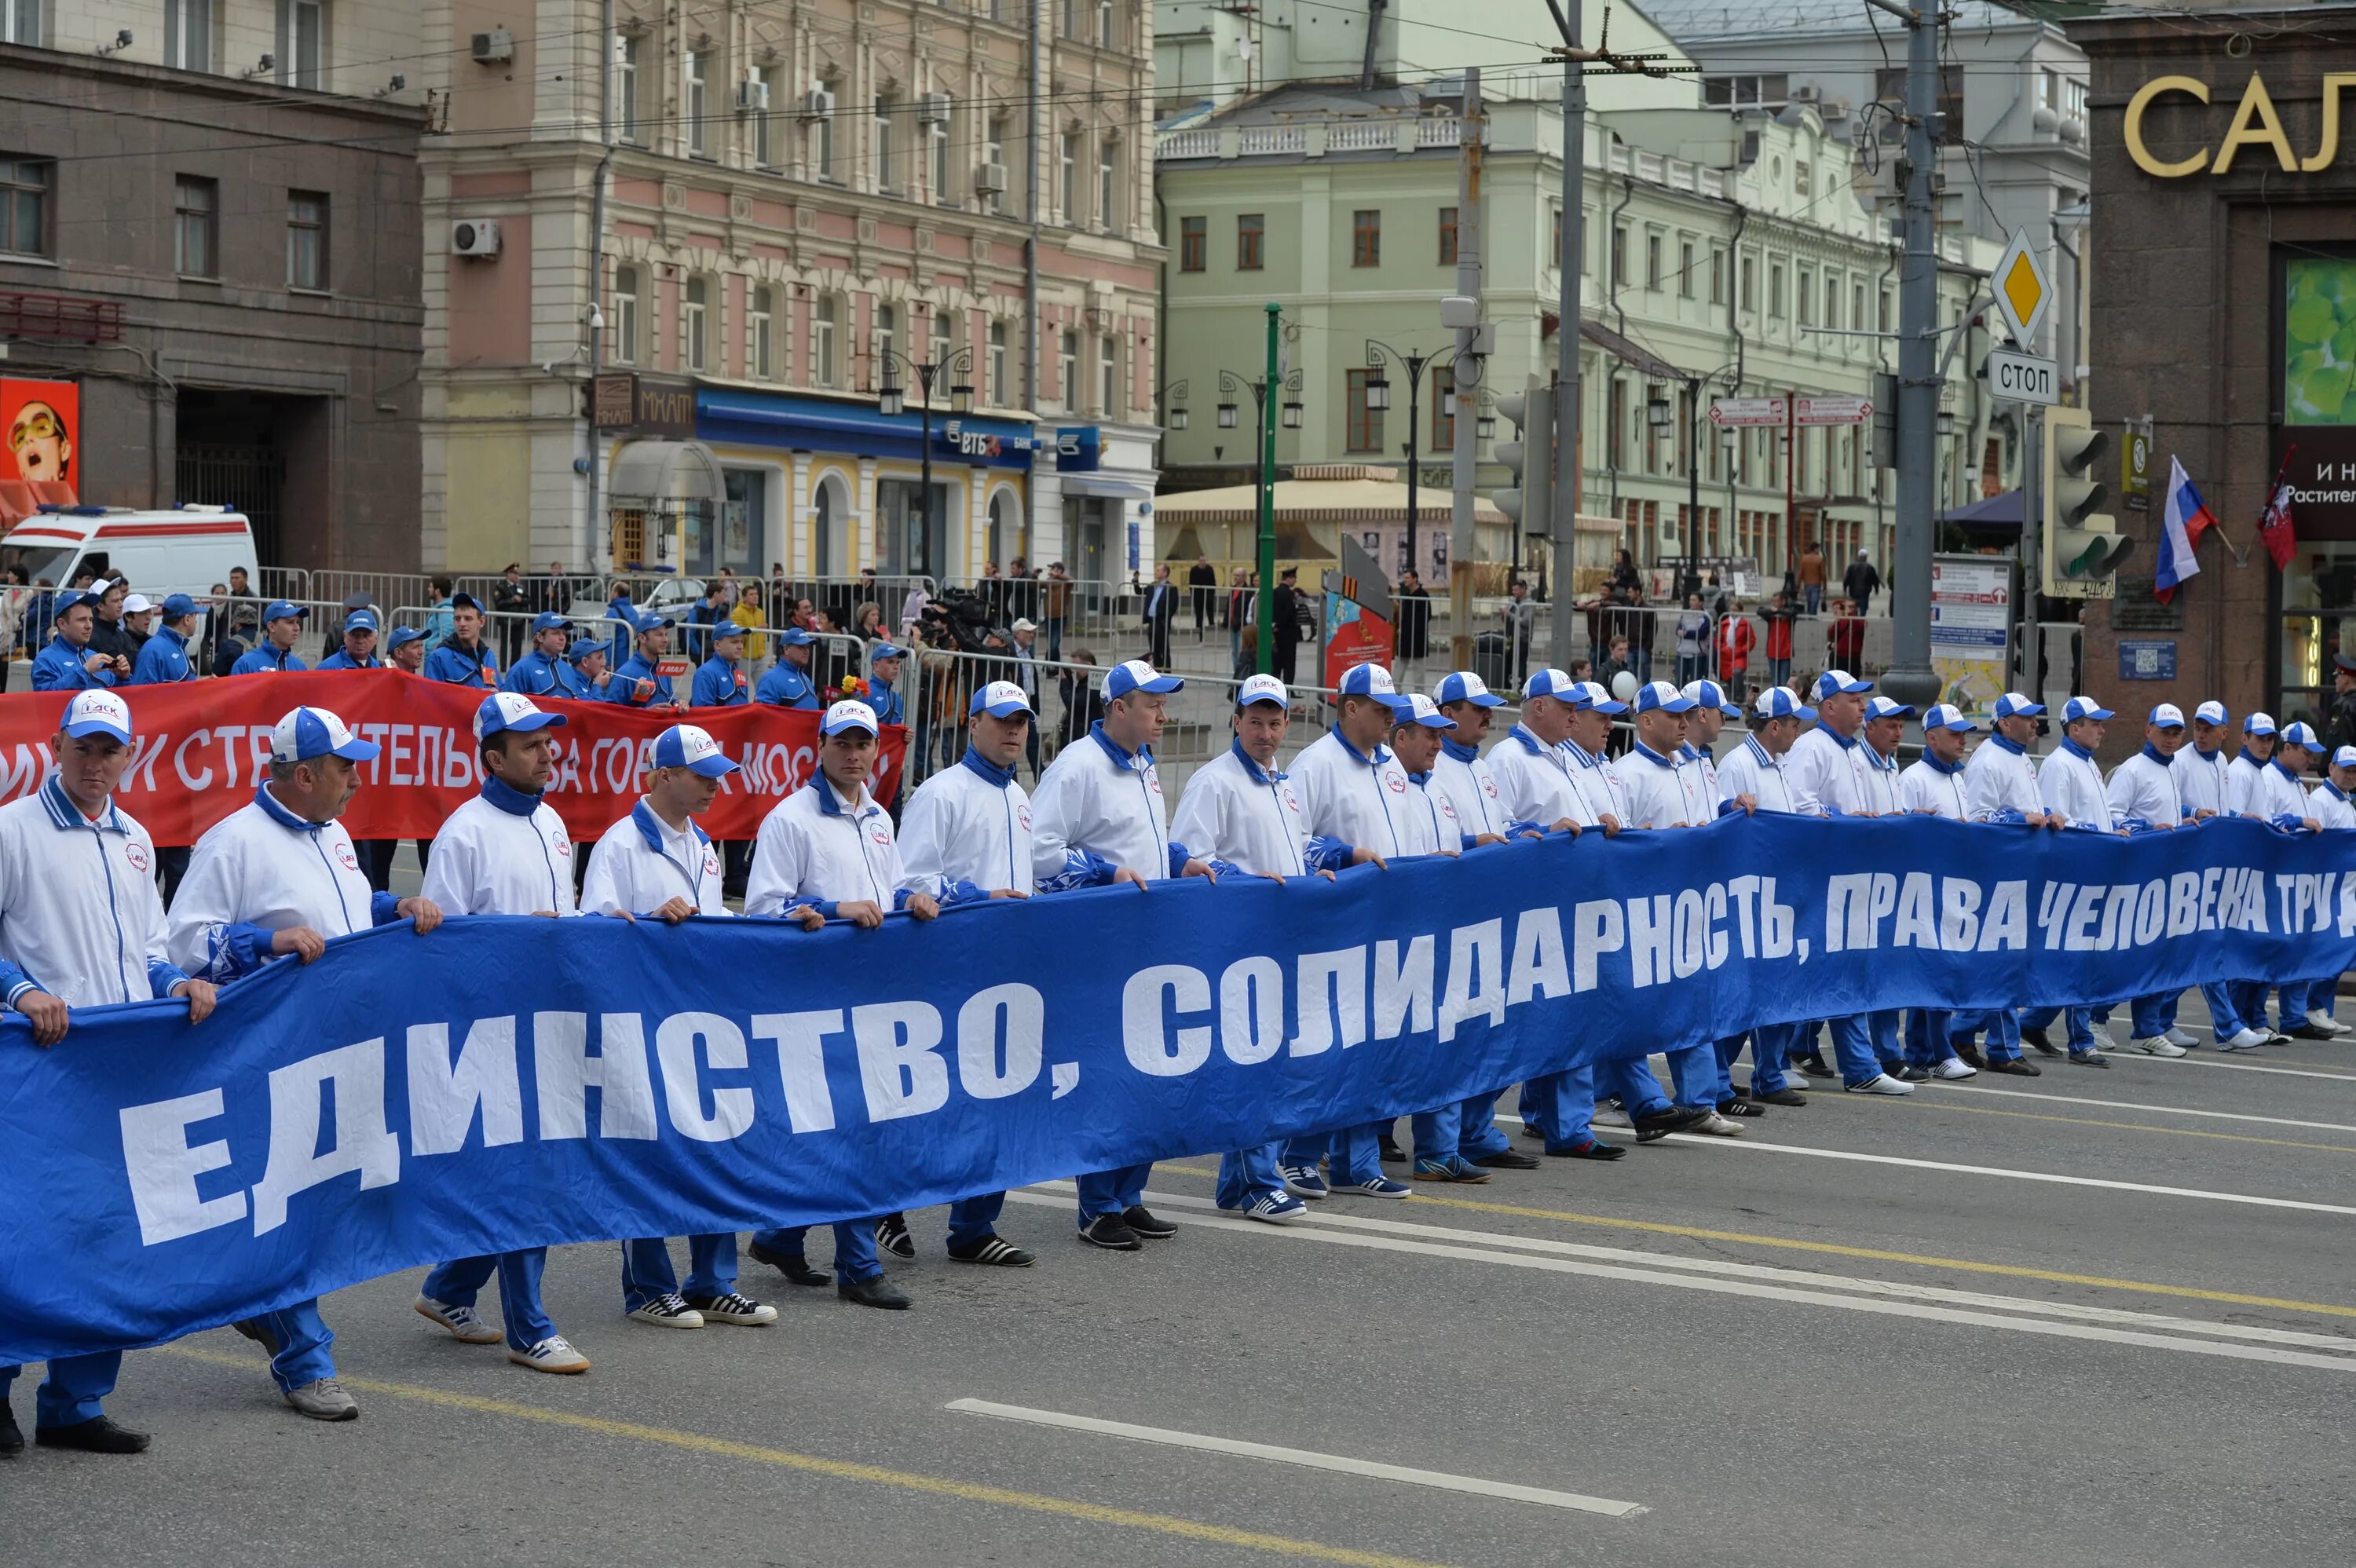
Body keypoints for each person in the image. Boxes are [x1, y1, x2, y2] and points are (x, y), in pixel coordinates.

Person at [164, 704, 442, 1420]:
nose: (356, 777)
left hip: (337, 1042)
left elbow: (339, 906)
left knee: (312, 1201)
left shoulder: (334, 830)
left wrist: (392, 904)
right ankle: (305, 1358)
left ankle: (250, 1294)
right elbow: (184, 943)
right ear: (307, 773)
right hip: (271, 1052)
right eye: (347, 766)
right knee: (285, 1198)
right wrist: (267, 942)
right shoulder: (235, 840)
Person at [0, 691, 219, 1456]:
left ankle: (75, 1403)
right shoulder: (12, 829)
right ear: (56, 745)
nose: (97, 764)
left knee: (108, 1234)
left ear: (131, 754)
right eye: (84, 748)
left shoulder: (134, 835)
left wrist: (175, 984)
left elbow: (149, 950)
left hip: (121, 1071)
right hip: (41, 1064)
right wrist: (20, 990)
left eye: (110, 750)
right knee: (25, 1230)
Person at [741, 699, 964, 1308]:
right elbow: (762, 909)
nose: (854, 753)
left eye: (863, 742)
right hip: (815, 996)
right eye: (843, 742)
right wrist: (834, 908)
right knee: (859, 1132)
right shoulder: (790, 819)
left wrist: (909, 900)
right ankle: (859, 1267)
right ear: (820, 744)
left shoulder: (878, 816)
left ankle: (781, 1235)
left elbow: (883, 890)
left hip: (871, 991)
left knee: (855, 1128)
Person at [415, 693, 596, 1372]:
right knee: (530, 1177)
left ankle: (450, 1286)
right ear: (493, 757)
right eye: (529, 744)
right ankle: (531, 1327)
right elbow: (447, 948)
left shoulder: (552, 821)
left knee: (523, 1172)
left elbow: (566, 921)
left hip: (549, 1024)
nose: (547, 751)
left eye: (547, 740)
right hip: (491, 1035)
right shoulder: (463, 832)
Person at [578, 724, 780, 1332]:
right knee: (651, 1151)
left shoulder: (702, 843)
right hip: (641, 1020)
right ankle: (647, 1287)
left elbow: (715, 924)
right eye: (702, 775)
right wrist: (644, 917)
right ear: (664, 775)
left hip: (699, 1019)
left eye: (718, 774)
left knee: (716, 1140)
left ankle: (713, 1280)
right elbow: (592, 927)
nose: (715, 786)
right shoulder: (619, 844)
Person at [1030, 660, 1220, 1247]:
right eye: (1151, 704)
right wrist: (1105, 872)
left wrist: (1178, 856)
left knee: (1153, 1068)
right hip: (1103, 944)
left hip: (1149, 939)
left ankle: (1129, 1192)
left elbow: (1142, 839)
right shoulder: (1078, 766)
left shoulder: (1142, 762)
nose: (1164, 714)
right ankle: (1096, 1205)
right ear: (1117, 708)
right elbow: (1040, 851)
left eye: (1164, 703)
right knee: (1112, 1072)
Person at [1170, 672, 1369, 1222]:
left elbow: (1298, 849)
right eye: (1254, 720)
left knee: (1270, 1061)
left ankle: (1239, 1180)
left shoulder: (1283, 783)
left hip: (1282, 941)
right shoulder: (1214, 781)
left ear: (1286, 725)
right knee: (1252, 1061)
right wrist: (1255, 881)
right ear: (1236, 721)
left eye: (1274, 721)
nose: (1264, 731)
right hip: (1238, 943)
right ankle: (1258, 1180)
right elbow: (1192, 858)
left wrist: (1324, 866)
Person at [893, 681, 1050, 1264]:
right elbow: (908, 883)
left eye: (1022, 722)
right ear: (973, 723)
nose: (1014, 731)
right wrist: (980, 896)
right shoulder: (941, 793)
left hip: (1006, 971)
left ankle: (975, 1226)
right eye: (1002, 720)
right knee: (934, 1100)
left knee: (1001, 1094)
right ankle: (888, 1202)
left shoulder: (1020, 797)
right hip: (947, 971)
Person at [1271, 663, 1426, 1200]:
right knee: (1325, 1044)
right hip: (1335, 928)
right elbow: (1296, 843)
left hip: (1387, 926)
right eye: (1379, 708)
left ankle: (1357, 1160)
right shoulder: (1315, 764)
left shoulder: (1392, 768)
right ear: (1350, 707)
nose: (1388, 718)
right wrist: (1344, 854)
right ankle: (1297, 1154)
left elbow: (1403, 838)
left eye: (1391, 709)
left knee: (1374, 1044)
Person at [1426, 671, 1547, 1170]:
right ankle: (1415, 1136)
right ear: (1449, 714)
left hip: (1491, 915)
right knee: (1447, 1031)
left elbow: (1499, 824)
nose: (1488, 716)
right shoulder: (1434, 770)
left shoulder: (1480, 768)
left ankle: (1474, 1129)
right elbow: (1443, 839)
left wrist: (1532, 831)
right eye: (1478, 709)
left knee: (1493, 1026)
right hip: (1454, 917)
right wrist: (1480, 844)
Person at [1612, 681, 1747, 1133]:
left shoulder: (1694, 766)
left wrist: (1730, 810)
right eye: (1674, 715)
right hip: (1645, 909)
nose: (1684, 722)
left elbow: (1708, 821)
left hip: (1691, 906)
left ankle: (1699, 1101)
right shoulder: (1627, 773)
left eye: (1687, 714)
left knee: (1694, 1001)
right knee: (1636, 1008)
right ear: (1645, 720)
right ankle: (1603, 1097)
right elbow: (1620, 842)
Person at [1781, 669, 1916, 1095]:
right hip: (1818, 880)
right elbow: (1798, 810)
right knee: (1804, 973)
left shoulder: (1848, 752)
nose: (1862, 705)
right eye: (1853, 698)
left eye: (1862, 699)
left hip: (1845, 881)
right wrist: (1848, 821)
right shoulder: (1812, 748)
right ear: (1828, 707)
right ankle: (1768, 1063)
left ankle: (1858, 1066)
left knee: (1845, 972)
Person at [2024, 696, 2131, 1068]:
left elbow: (2086, 818)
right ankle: (2081, 1041)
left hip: (2094, 872)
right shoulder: (2059, 765)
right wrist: (2099, 836)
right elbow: (2059, 823)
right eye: (2095, 723)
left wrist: (2111, 832)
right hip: (2075, 877)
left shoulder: (2087, 763)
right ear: (2074, 728)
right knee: (2080, 960)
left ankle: (2033, 1022)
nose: (2102, 729)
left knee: (2082, 959)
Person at [2174, 700, 2270, 1051]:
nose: (2201, 733)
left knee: (2188, 949)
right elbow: (2169, 805)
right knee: (2204, 945)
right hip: (2184, 867)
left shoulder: (2223, 763)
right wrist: (2193, 811)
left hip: (2212, 868)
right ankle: (2228, 1027)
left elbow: (2225, 809)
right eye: (2198, 726)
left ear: (2224, 733)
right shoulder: (2181, 761)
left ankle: (2157, 1022)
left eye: (2209, 728)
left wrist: (2240, 818)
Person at [2109, 703, 2196, 1058]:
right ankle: (2102, 1019)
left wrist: (2190, 815)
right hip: (2138, 876)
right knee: (2132, 954)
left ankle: (2150, 1026)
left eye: (2176, 733)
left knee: (2160, 953)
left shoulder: (2171, 769)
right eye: (2164, 732)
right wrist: (2148, 830)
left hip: (2165, 875)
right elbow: (2112, 817)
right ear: (2148, 731)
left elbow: (2166, 811)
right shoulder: (2132, 770)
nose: (2171, 739)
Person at [32, 590, 125, 691]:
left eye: (91, 620)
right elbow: (44, 697)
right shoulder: (46, 659)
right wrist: (84, 671)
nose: (89, 626)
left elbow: (119, 699)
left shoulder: (93, 656)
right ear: (62, 624)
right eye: (81, 620)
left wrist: (123, 677)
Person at [606, 610, 685, 709]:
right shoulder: (624, 674)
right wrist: (646, 713)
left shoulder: (664, 671)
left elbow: (668, 699)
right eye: (659, 635)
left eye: (666, 634)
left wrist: (677, 703)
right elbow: (610, 713)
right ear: (642, 638)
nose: (665, 640)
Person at [423, 593, 499, 687]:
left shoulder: (488, 656)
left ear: (481, 622)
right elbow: (431, 697)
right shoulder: (438, 658)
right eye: (457, 619)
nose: (462, 623)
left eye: (468, 619)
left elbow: (498, 690)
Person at [129, 594, 202, 685]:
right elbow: (143, 693)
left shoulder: (177, 646)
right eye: (195, 616)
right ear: (187, 619)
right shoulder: (152, 650)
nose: (196, 621)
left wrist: (205, 684)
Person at [499, 612, 577, 696]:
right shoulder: (521, 669)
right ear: (540, 637)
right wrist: (547, 705)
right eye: (556, 633)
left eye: (564, 633)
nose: (562, 638)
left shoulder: (569, 670)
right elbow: (507, 705)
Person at [232, 600, 311, 676]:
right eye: (290, 622)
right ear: (271, 627)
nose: (297, 628)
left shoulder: (300, 667)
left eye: (298, 622)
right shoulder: (246, 664)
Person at [754, 625, 821, 707]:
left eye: (807, 647)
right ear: (786, 649)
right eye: (801, 647)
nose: (806, 651)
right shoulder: (771, 679)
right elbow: (765, 715)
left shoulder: (805, 678)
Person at [690, 620, 751, 708]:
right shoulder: (705, 673)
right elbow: (704, 715)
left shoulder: (738, 672)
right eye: (734, 642)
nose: (740, 646)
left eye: (742, 642)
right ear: (718, 645)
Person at [316, 608, 383, 671]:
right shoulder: (328, 668)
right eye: (354, 635)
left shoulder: (378, 668)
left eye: (365, 636)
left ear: (376, 639)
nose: (360, 641)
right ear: (344, 636)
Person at [1271, 567, 1306, 685]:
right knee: (1289, 662)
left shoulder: (1275, 592)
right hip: (1288, 632)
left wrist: (1275, 624)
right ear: (1289, 578)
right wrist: (1280, 624)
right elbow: (1288, 613)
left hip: (1276, 631)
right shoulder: (1290, 594)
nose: (1295, 581)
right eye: (1294, 578)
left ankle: (1274, 686)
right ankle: (1288, 687)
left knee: (1277, 661)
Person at [492, 564, 530, 668]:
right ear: (509, 574)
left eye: (518, 573)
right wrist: (512, 600)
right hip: (506, 621)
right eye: (514, 573)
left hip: (519, 620)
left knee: (517, 646)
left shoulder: (521, 587)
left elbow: (527, 600)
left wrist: (521, 600)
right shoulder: (501, 587)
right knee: (505, 644)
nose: (517, 576)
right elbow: (499, 602)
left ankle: (515, 666)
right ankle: (503, 666)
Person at [1142, 562, 1177, 668]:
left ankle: (1166, 670)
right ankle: (1157, 668)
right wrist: (1135, 580)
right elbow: (1140, 591)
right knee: (1154, 647)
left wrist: (1166, 616)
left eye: (1158, 570)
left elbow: (1173, 605)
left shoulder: (1170, 588)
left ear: (1165, 573)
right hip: (1152, 620)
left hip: (1162, 621)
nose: (1156, 572)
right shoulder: (1153, 585)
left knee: (1163, 647)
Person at [1674, 594, 1712, 686]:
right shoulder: (1685, 613)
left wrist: (1686, 634)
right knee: (1679, 681)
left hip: (1697, 654)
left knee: (1695, 683)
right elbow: (1678, 630)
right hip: (1682, 652)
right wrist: (1685, 633)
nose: (1691, 602)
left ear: (1701, 602)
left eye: (1694, 600)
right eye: (1690, 600)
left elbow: (1701, 634)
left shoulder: (1706, 616)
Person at [1396, 568, 1431, 662]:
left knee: (1417, 663)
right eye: (1404, 578)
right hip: (1406, 634)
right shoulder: (1406, 594)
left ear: (1415, 579)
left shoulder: (1423, 595)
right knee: (1401, 661)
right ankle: (1395, 678)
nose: (1405, 580)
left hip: (1417, 635)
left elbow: (1427, 615)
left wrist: (1416, 627)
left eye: (1407, 578)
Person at [732, 582, 768, 666]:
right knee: (741, 679)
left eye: (756, 594)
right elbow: (737, 633)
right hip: (744, 656)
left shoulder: (760, 612)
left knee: (762, 679)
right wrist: (756, 628)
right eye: (751, 594)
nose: (755, 596)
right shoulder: (738, 612)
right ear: (744, 598)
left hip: (760, 656)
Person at [1041, 562, 1071, 662]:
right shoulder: (1048, 583)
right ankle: (1053, 667)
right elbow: (1034, 584)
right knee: (1051, 644)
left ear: (1060, 571)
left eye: (1055, 569)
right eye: (1052, 569)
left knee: (1054, 644)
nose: (1052, 572)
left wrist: (1058, 576)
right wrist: (1034, 575)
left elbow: (1072, 580)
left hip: (1060, 617)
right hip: (1048, 616)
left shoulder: (1065, 584)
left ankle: (1051, 666)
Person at [1188, 554, 1217, 641]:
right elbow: (1191, 583)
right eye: (1201, 560)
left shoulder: (1209, 569)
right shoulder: (1194, 570)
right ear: (1198, 561)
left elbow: (1213, 582)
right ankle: (1199, 635)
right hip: (1198, 595)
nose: (1203, 562)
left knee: (1210, 614)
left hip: (1208, 595)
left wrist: (1212, 594)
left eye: (1204, 560)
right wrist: (1192, 594)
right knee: (1199, 616)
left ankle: (1212, 634)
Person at [1844, 549, 1882, 616]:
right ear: (1866, 557)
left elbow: (1847, 579)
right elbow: (1875, 580)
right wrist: (1876, 589)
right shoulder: (1870, 567)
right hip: (1865, 591)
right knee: (1863, 608)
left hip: (1853, 591)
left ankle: (1854, 620)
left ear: (1858, 557)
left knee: (1853, 607)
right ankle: (1861, 620)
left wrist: (1845, 588)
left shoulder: (1851, 567)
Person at [1798, 540, 1827, 614]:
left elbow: (1801, 572)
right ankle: (1812, 614)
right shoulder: (1820, 559)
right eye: (1819, 548)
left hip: (1807, 583)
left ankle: (1809, 613)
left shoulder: (1804, 559)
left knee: (1809, 600)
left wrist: (1798, 583)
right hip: (1816, 583)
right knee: (1815, 600)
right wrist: (1825, 586)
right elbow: (1823, 574)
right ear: (1815, 549)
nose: (1820, 550)